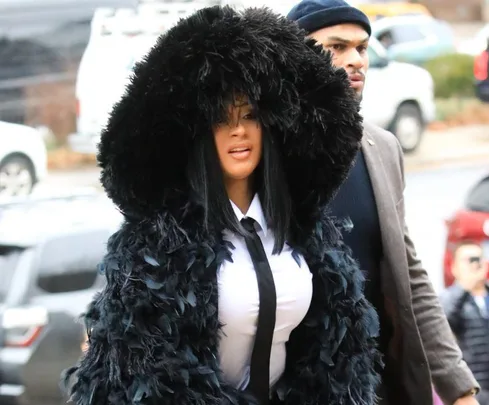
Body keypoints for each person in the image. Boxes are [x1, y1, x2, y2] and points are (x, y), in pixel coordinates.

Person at [63, 6, 382, 405]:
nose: (238, 130)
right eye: (221, 117)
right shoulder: (156, 246)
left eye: (250, 114)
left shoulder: (307, 232)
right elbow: (137, 375)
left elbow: (335, 354)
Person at [286, 1, 480, 404]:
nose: (355, 60)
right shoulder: (268, 156)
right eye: (336, 47)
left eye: (361, 47)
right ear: (294, 56)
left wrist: (458, 387)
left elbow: (409, 275)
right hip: (296, 386)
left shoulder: (383, 148)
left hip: (380, 384)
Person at [441, 241, 489, 404]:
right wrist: (465, 286)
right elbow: (440, 324)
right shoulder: (449, 298)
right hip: (472, 390)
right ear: (454, 267)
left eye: (478, 259)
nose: (474, 264)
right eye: (468, 260)